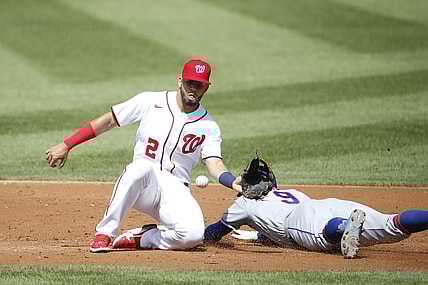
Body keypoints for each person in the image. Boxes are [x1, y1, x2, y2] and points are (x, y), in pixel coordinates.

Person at [46, 58, 242, 253]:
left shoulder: (209, 126)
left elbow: (215, 163)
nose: (194, 89)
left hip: (176, 189)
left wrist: (232, 182)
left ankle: (144, 237)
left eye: (199, 85)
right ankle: (104, 233)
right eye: (190, 82)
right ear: (180, 81)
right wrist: (67, 144)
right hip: (142, 183)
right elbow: (108, 121)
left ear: (206, 88)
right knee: (141, 166)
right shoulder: (150, 101)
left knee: (193, 236)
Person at [204, 187, 428, 258]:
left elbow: (215, 232)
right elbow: (270, 222)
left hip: (298, 221)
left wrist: (200, 235)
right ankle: (342, 224)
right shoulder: (289, 192)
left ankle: (341, 228)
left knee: (323, 233)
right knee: (392, 223)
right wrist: (258, 235)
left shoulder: (244, 203)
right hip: (326, 204)